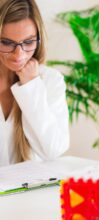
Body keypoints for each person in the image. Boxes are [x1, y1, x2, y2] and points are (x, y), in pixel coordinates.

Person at [0, 0, 69, 166]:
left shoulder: (50, 80)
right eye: (6, 42)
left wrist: (31, 87)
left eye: (28, 42)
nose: (19, 54)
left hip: (28, 191)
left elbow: (52, 150)